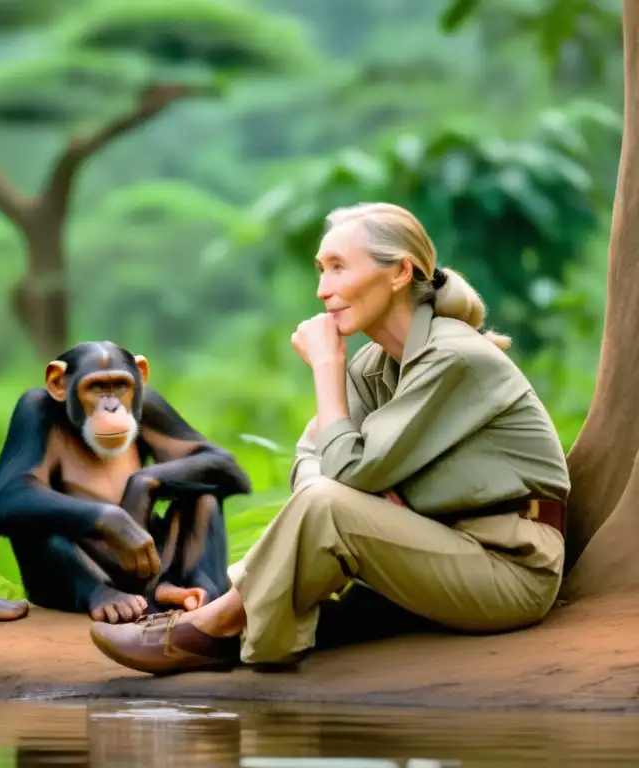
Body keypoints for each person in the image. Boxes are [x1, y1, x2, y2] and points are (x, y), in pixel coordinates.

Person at [88, 201, 570, 675]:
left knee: (328, 502)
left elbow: (348, 473)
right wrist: (362, 488)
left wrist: (325, 367)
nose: (322, 290)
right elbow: (310, 460)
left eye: (338, 268)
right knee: (325, 497)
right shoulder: (373, 365)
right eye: (321, 270)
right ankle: (233, 616)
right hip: (433, 551)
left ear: (400, 272)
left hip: (509, 570)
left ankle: (213, 628)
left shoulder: (454, 357)